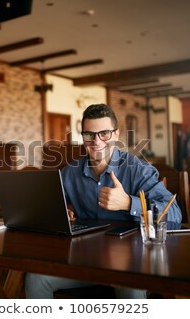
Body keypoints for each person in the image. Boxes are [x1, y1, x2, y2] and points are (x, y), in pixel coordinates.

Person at [25, 104, 182, 299]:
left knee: (128, 283)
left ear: (116, 135)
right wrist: (61, 211)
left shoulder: (137, 169)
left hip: (133, 262)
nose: (96, 141)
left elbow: (174, 214)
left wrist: (128, 203)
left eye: (104, 134)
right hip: (85, 260)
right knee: (35, 277)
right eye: (89, 135)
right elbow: (50, 208)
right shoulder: (69, 173)